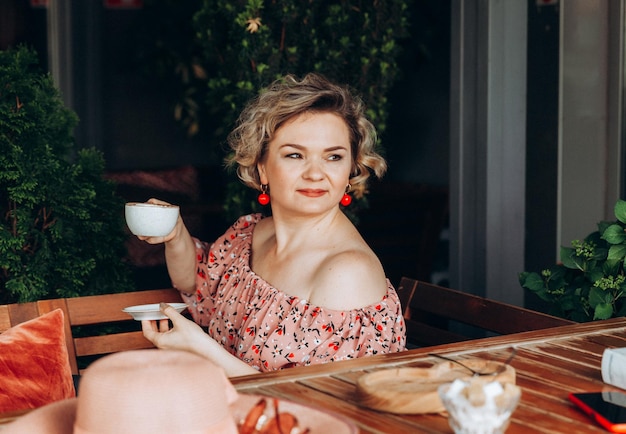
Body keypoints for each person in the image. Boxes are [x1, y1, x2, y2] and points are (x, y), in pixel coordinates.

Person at [139, 73, 406, 377]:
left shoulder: (347, 273)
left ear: (351, 168)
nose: (316, 173)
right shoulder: (254, 232)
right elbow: (197, 285)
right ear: (262, 167)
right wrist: (175, 234)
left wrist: (201, 349)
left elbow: (316, 407)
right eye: (295, 155)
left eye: (333, 157)